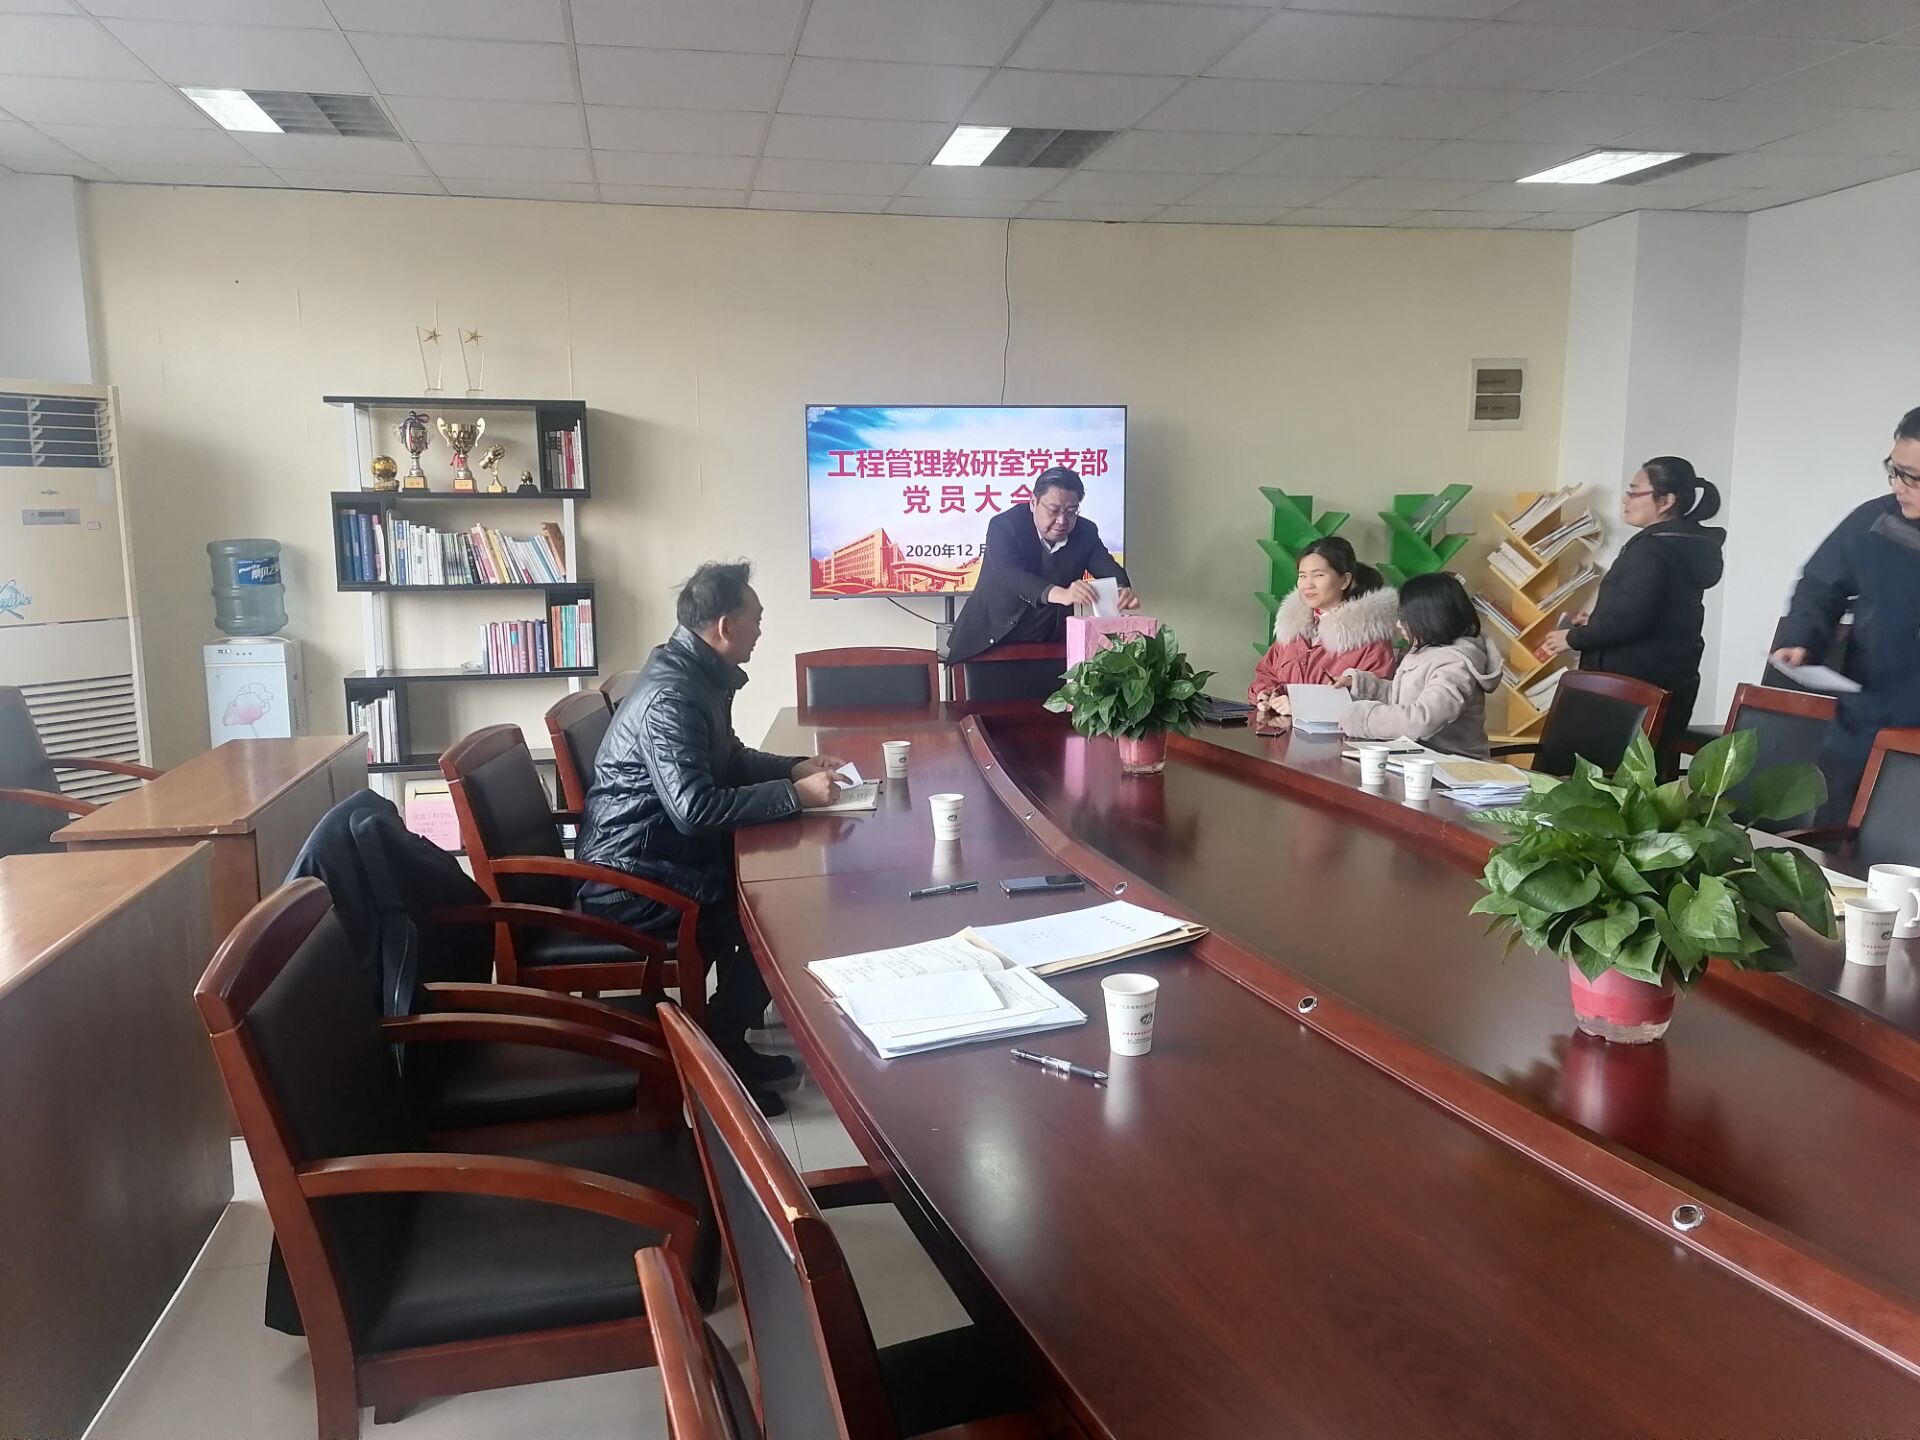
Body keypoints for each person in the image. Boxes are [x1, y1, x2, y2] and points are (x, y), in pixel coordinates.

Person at [575, 561, 848, 1115]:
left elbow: (730, 758)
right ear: (726, 626)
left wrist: (793, 768)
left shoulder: (695, 673)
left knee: (779, 902)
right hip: (631, 879)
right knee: (775, 921)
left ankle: (727, 1040)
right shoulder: (673, 695)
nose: (762, 630)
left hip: (662, 857)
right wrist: (795, 796)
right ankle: (716, 1053)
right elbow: (694, 809)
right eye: (757, 619)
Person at [1772, 406, 1920, 821]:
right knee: (1835, 840)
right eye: (1894, 469)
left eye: (1912, 476)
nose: (1898, 485)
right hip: (1866, 723)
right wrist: (1801, 638)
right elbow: (1820, 585)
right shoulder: (1874, 521)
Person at [1540, 456, 1724, 772]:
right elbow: (1652, 611)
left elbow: (1632, 620)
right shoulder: (1687, 544)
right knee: (1649, 774)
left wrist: (1573, 637)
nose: (1625, 500)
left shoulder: (1652, 548)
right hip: (1669, 675)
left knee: (1610, 777)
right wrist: (1597, 622)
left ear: (1666, 501)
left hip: (1633, 684)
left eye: (1634, 491)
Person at [944, 466, 1137, 664]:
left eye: (1071, 511)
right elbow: (1009, 574)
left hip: (1050, 642)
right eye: (1053, 510)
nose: (1062, 520)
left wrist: (1121, 589)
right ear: (1033, 502)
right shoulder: (1005, 525)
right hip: (992, 639)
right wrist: (1062, 594)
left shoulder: (1085, 531)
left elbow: (1107, 567)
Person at [1337, 572, 1501, 758]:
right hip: (1420, 758)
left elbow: (1422, 719)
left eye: (1405, 618)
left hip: (1454, 766)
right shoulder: (1425, 651)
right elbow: (1402, 698)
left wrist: (1364, 719)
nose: (1398, 625)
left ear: (1429, 618)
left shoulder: (1456, 664)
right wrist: (1361, 685)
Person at [1249, 536, 1397, 725]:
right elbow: (1266, 672)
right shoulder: (1293, 630)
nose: (1308, 584)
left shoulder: (1371, 640)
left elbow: (1375, 703)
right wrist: (1265, 693)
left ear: (1345, 580)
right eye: (1302, 576)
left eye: (1318, 575)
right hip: (1281, 735)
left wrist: (1303, 706)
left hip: (1338, 741)